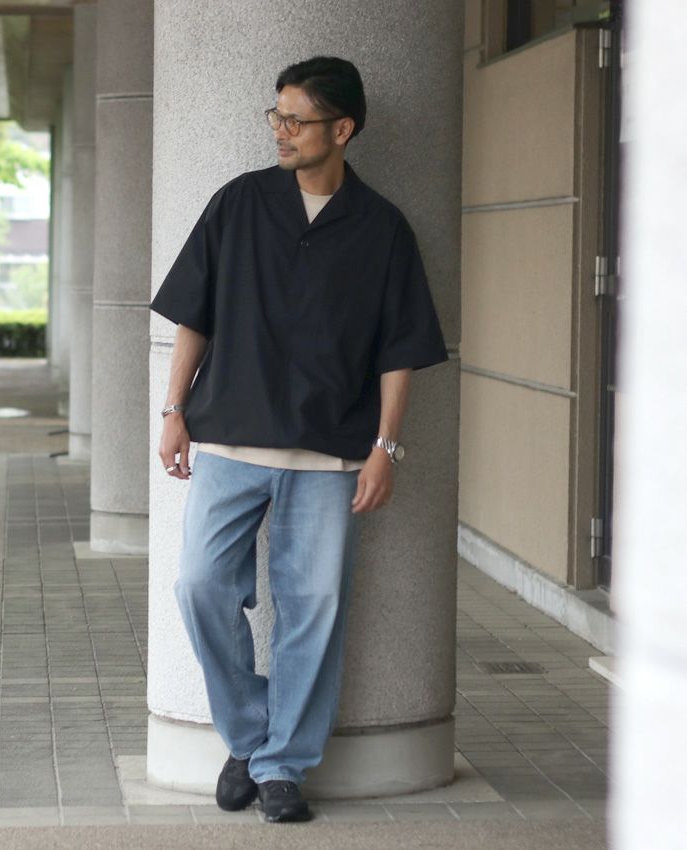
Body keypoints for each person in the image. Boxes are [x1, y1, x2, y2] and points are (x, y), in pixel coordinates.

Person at [150, 56, 447, 823]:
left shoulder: (382, 228)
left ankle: (281, 766)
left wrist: (386, 448)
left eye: (296, 119)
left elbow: (400, 351)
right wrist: (173, 409)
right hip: (228, 441)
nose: (280, 131)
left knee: (313, 608)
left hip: (329, 453)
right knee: (199, 587)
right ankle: (252, 736)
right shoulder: (239, 203)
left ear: (341, 129)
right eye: (275, 116)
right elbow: (194, 316)